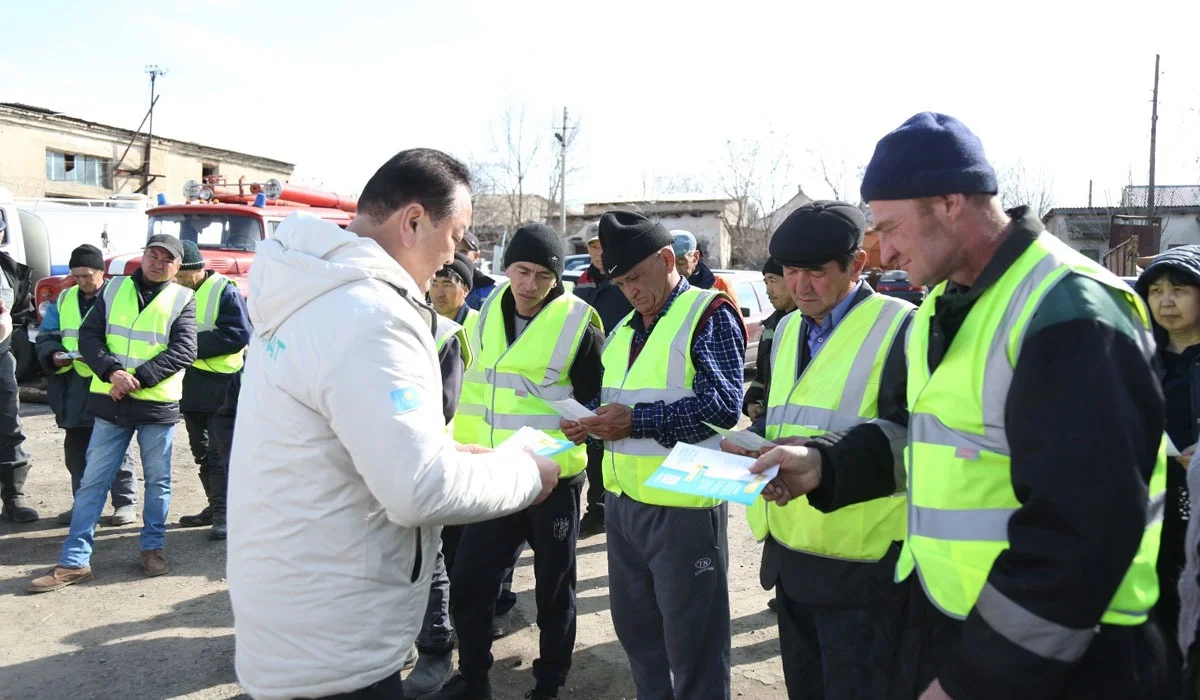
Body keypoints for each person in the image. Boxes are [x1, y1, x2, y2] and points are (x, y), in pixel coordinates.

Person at [750, 112, 1179, 699]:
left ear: (951, 203)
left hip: (1062, 657)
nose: (882, 249)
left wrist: (974, 677)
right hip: (952, 622)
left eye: (892, 227)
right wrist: (825, 465)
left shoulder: (1067, 308)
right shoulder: (942, 308)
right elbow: (932, 446)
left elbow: (1083, 534)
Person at [226, 148, 562, 700]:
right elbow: (420, 490)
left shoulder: (308, 291)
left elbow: (354, 447)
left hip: (294, 607)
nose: (455, 256)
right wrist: (527, 474)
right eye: (455, 235)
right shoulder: (372, 316)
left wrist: (449, 457)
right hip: (336, 638)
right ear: (412, 221)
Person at [722, 202, 913, 699]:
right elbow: (788, 415)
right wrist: (751, 441)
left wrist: (823, 459)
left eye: (816, 272)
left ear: (857, 266)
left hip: (863, 568)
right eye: (790, 271)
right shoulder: (785, 330)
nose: (801, 285)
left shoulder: (903, 329)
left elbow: (914, 441)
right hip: (790, 556)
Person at [561, 210, 746, 700]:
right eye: (621, 283)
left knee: (694, 646)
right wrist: (592, 424)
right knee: (639, 636)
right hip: (624, 508)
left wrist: (634, 421)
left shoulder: (709, 312)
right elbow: (622, 406)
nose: (631, 291)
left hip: (684, 505)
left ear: (668, 259)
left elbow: (722, 408)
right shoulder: (623, 331)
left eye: (636, 278)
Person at [434, 223, 604, 700]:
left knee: (554, 591)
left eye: (542, 275)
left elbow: (597, 398)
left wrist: (586, 424)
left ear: (557, 277)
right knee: (470, 584)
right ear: (506, 267)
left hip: (555, 481)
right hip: (495, 475)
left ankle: (548, 684)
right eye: (521, 271)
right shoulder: (483, 313)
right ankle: (473, 678)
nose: (529, 285)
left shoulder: (579, 320)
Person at [29, 234, 198, 591]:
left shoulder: (183, 298)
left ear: (177, 266)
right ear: (144, 257)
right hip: (111, 401)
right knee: (92, 481)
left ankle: (152, 548)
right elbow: (90, 337)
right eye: (152, 254)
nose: (157, 262)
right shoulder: (113, 290)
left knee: (158, 482)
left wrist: (135, 378)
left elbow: (184, 349)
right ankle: (75, 561)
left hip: (155, 405)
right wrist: (112, 373)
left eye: (166, 258)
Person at [36, 244, 137, 527]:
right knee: (77, 449)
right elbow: (48, 335)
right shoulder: (66, 298)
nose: (81, 282)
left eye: (87, 275)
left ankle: (125, 504)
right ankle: (83, 505)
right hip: (75, 384)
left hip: (109, 382)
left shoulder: (119, 297)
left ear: (101, 272)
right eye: (76, 276)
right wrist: (52, 355)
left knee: (115, 445)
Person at [1136, 247, 1200, 653]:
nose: (1166, 301)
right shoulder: (1138, 357)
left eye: (1179, 290)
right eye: (1156, 291)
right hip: (1152, 514)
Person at [174, 240, 251, 541]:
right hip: (189, 385)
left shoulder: (224, 291)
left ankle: (225, 514)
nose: (177, 280)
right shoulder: (175, 292)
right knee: (201, 452)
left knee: (220, 453)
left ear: (197, 270)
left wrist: (187, 347)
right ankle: (215, 505)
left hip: (221, 385)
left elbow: (237, 335)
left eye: (182, 274)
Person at [572, 231, 634, 537]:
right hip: (587, 373)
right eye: (593, 247)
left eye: (602, 246)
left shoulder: (623, 281)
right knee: (592, 446)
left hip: (618, 372)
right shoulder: (582, 282)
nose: (598, 252)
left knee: (611, 441)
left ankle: (610, 508)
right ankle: (597, 509)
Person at [0, 247, 36, 523]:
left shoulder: (10, 270)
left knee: (9, 427)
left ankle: (13, 497)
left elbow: (20, 313)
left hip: (1, 358)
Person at [741, 256, 796, 427]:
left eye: (773, 281)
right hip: (768, 423)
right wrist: (752, 401)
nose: (768, 290)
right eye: (766, 282)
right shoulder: (769, 329)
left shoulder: (807, 325)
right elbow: (762, 376)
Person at [671, 229, 739, 311]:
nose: (675, 269)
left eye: (681, 262)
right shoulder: (660, 289)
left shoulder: (720, 285)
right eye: (669, 263)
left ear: (695, 257)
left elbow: (736, 320)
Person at [431, 251, 480, 338]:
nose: (439, 294)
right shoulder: (421, 318)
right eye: (434, 285)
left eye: (447, 285)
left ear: (465, 290)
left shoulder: (480, 325)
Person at [460, 230, 497, 310]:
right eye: (453, 250)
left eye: (463, 252)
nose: (456, 255)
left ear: (476, 256)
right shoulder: (432, 281)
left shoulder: (487, 289)